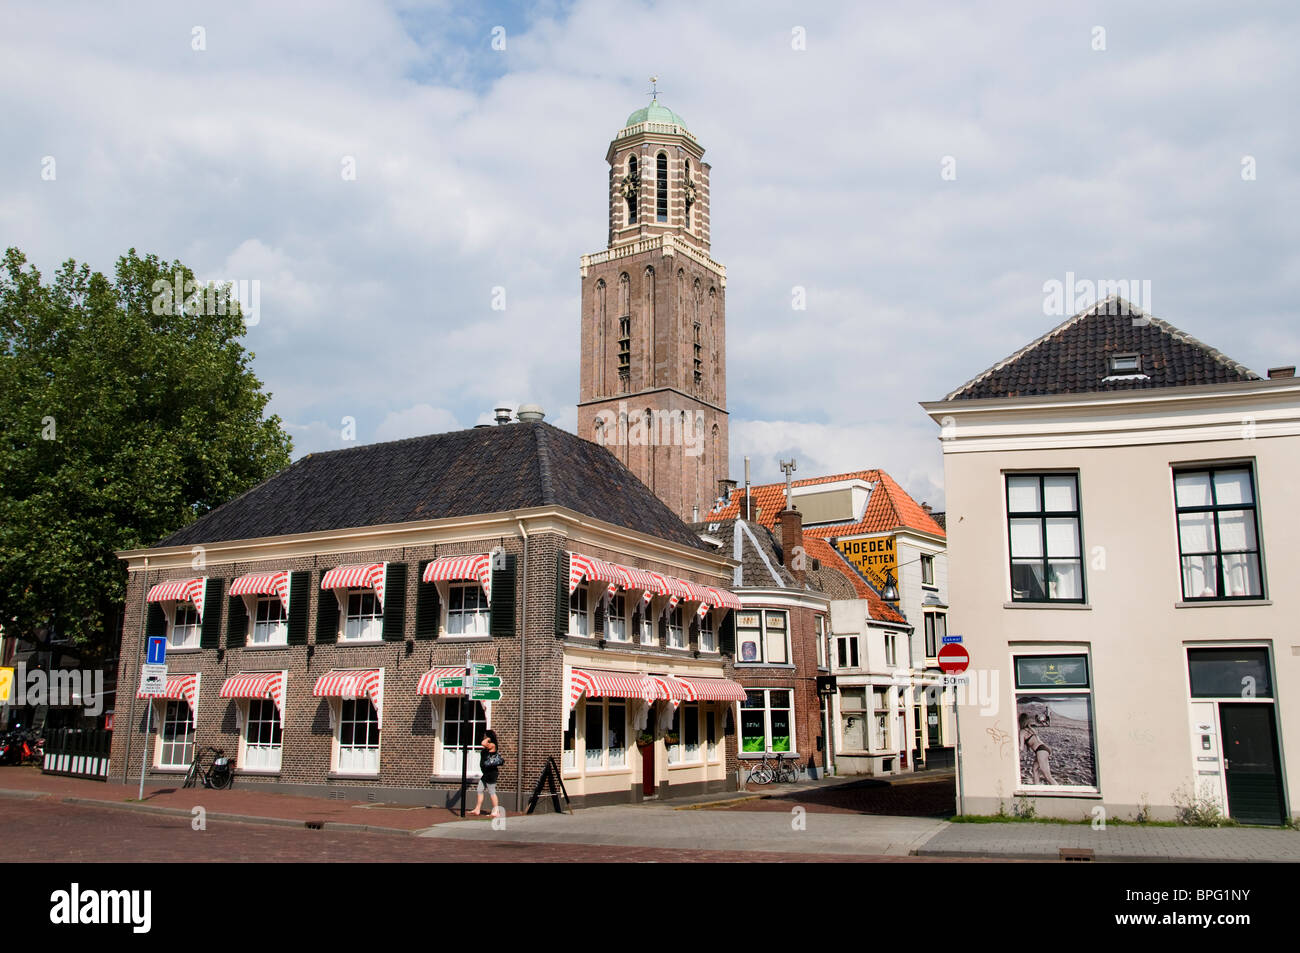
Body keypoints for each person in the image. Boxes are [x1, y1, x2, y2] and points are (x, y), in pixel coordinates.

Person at [1018, 712, 1056, 785]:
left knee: (1048, 777)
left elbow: (1021, 748)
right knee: (1035, 769)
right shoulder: (1031, 729)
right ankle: (1036, 785)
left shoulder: (1022, 732)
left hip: (1040, 751)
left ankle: (1059, 791)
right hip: (1045, 748)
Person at [470, 729, 502, 816]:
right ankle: (477, 809)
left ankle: (496, 811)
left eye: (485, 735)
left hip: (491, 773)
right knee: (480, 789)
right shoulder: (488, 745)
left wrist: (488, 738)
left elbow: (483, 743)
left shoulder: (492, 745)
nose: (483, 737)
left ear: (489, 737)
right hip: (486, 773)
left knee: (492, 791)